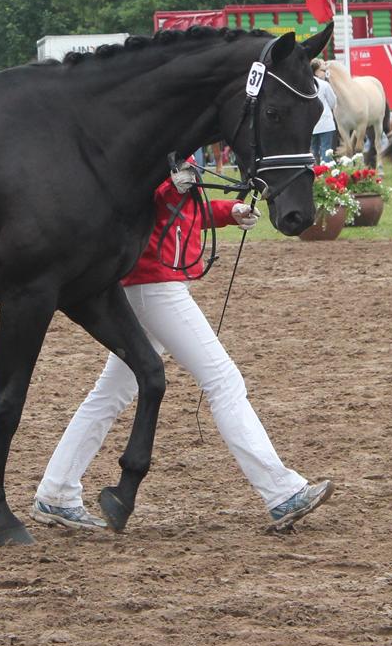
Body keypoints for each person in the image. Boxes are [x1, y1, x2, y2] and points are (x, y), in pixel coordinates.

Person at [31, 160, 334, 531]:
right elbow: (145, 199)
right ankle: (281, 491)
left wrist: (228, 211)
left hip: (153, 283)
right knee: (223, 381)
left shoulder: (180, 152)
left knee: (111, 393)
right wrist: (173, 185)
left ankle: (56, 491)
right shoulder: (158, 148)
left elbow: (185, 213)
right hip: (155, 285)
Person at [310, 59, 338, 164]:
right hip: (326, 123)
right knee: (326, 151)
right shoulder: (324, 85)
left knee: (313, 151)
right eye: (323, 70)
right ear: (316, 71)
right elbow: (333, 102)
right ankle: (326, 175)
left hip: (311, 125)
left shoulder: (305, 84)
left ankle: (315, 174)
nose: (325, 73)